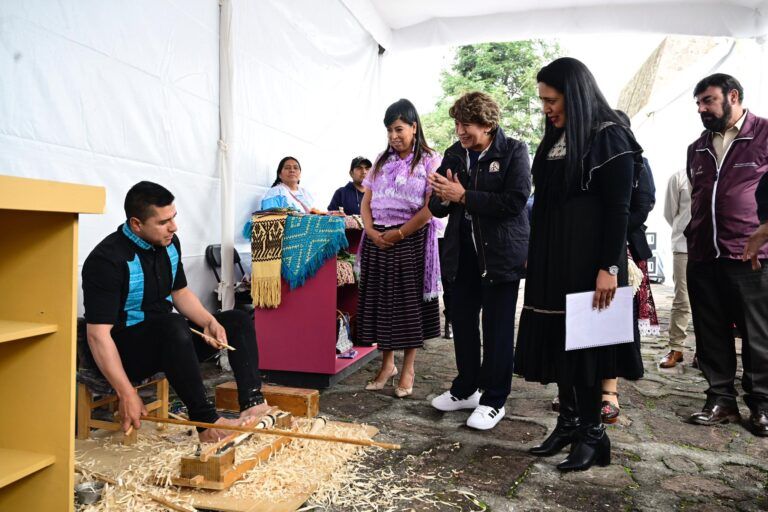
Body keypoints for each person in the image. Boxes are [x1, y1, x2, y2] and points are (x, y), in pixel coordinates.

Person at [515, 57, 645, 471]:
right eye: (543, 102)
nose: (546, 109)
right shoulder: (559, 137)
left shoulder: (611, 137)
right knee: (560, 344)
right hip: (554, 259)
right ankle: (569, 423)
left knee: (587, 347)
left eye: (551, 100)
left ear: (574, 94)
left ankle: (593, 435)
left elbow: (619, 208)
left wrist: (609, 266)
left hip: (591, 262)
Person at [83, 181, 270, 443]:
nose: (174, 227)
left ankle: (253, 403)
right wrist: (126, 393)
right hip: (126, 351)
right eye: (163, 222)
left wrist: (209, 322)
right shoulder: (107, 260)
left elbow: (180, 293)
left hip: (171, 341)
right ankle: (207, 423)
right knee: (172, 325)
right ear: (136, 224)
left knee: (236, 320)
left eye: (174, 217)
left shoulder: (170, 242)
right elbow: (97, 336)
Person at [427, 91, 531, 430]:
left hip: (500, 254)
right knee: (463, 321)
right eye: (457, 124)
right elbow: (436, 206)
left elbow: (514, 202)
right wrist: (442, 195)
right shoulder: (455, 154)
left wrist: (464, 196)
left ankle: (494, 399)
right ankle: (466, 388)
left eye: (466, 125)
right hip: (462, 253)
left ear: (488, 125)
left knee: (498, 327)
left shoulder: (514, 151)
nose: (460, 132)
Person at [685, 73, 768, 437]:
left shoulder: (764, 134)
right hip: (704, 255)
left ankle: (762, 404)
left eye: (708, 100)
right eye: (699, 103)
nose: (702, 109)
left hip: (751, 256)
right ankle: (720, 400)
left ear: (732, 96)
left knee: (758, 335)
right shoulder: (698, 147)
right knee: (710, 332)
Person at [358, 98, 442, 398]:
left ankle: (408, 367)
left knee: (407, 307)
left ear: (414, 127)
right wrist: (369, 230)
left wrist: (400, 233)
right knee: (382, 304)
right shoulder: (381, 160)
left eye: (399, 129)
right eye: (389, 131)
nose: (394, 136)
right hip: (378, 239)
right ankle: (387, 364)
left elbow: (432, 207)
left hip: (411, 240)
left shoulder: (431, 161)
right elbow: (366, 200)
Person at [600, 110, 658, 424]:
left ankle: (609, 391)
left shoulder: (637, 162)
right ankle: (578, 384)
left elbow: (643, 203)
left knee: (616, 321)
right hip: (589, 251)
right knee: (584, 316)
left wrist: (615, 234)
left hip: (624, 253)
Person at [660, 168, 692, 368]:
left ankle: (705, 352)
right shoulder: (679, 177)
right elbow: (670, 213)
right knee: (682, 299)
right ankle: (676, 347)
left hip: (715, 247)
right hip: (684, 246)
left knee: (713, 302)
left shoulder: (723, 174)